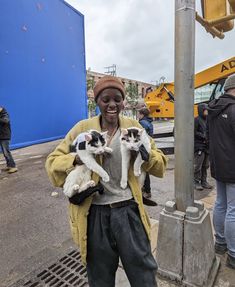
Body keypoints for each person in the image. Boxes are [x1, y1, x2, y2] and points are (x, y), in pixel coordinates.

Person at [46, 76, 167, 286]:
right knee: (99, 277)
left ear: (123, 102)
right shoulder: (83, 129)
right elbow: (52, 163)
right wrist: (78, 156)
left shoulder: (133, 127)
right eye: (106, 99)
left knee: (144, 274)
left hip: (129, 212)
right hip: (94, 215)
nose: (112, 104)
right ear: (97, 102)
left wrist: (145, 152)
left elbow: (160, 163)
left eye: (117, 99)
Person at [207, 74, 235, 269]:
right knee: (233, 210)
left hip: (218, 164)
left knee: (220, 203)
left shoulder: (213, 108)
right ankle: (233, 254)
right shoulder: (234, 109)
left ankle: (220, 242)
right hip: (233, 166)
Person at [194, 103, 212, 190]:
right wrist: (203, 136)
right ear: (201, 110)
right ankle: (196, 181)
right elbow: (194, 132)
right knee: (198, 165)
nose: (207, 112)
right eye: (205, 110)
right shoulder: (196, 120)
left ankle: (204, 181)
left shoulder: (208, 119)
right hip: (199, 146)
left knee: (206, 165)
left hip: (207, 146)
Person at [138, 107, 154, 198]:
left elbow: (141, 137)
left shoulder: (142, 123)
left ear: (142, 114)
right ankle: (145, 188)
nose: (137, 116)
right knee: (145, 169)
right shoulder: (149, 122)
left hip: (143, 149)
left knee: (143, 170)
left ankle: (147, 190)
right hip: (147, 148)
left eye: (138, 114)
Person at [0, 106, 18, 173]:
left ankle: (13, 167)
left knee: (6, 152)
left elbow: (6, 120)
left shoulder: (4, 113)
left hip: (5, 136)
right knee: (5, 153)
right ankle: (9, 165)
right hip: (1, 136)